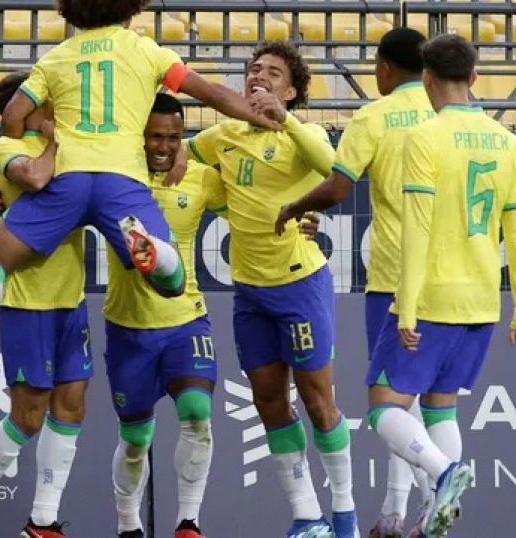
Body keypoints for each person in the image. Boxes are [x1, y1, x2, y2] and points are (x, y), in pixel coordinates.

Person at [0, 0, 281, 371]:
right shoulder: (146, 51)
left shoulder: (56, 57)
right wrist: (268, 119)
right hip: (122, 182)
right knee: (171, 281)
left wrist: (15, 157)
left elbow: (12, 114)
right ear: (131, 7)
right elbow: (212, 94)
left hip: (67, 179)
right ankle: (151, 250)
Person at [107, 93, 320, 538]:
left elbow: (249, 213)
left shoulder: (202, 178)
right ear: (138, 138)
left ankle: (189, 522)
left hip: (187, 319)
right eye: (154, 138)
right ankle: (128, 525)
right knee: (135, 441)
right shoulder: (113, 179)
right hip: (127, 325)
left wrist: (301, 216)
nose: (164, 147)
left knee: (197, 413)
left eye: (173, 137)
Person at [364, 34, 516, 537]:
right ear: (476, 78)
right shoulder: (508, 142)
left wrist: (409, 307)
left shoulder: (424, 136)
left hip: (434, 295)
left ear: (427, 80)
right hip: (482, 300)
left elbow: (416, 229)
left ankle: (444, 475)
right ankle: (435, 519)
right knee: (442, 405)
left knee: (383, 407)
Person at [187, 41, 359, 538]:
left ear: (292, 90)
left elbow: (334, 168)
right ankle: (308, 517)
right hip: (250, 292)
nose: (259, 77)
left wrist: (284, 120)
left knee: (318, 400)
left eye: (273, 72)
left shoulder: (302, 133)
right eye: (254, 69)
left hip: (299, 284)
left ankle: (344, 515)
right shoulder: (223, 135)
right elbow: (178, 159)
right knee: (268, 400)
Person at [275, 28, 434, 537]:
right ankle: (396, 514)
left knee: (389, 404)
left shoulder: (373, 116)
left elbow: (339, 186)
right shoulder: (449, 111)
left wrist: (299, 205)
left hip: (393, 274)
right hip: (451, 274)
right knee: (428, 404)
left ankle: (433, 491)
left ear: (385, 68)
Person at [0, 73, 90, 538]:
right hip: (27, 301)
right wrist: (57, 145)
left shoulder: (63, 140)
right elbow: (35, 178)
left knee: (71, 408)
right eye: (39, 99)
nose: (50, 103)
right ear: (18, 109)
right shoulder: (5, 148)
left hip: (72, 298)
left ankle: (43, 521)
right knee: (28, 418)